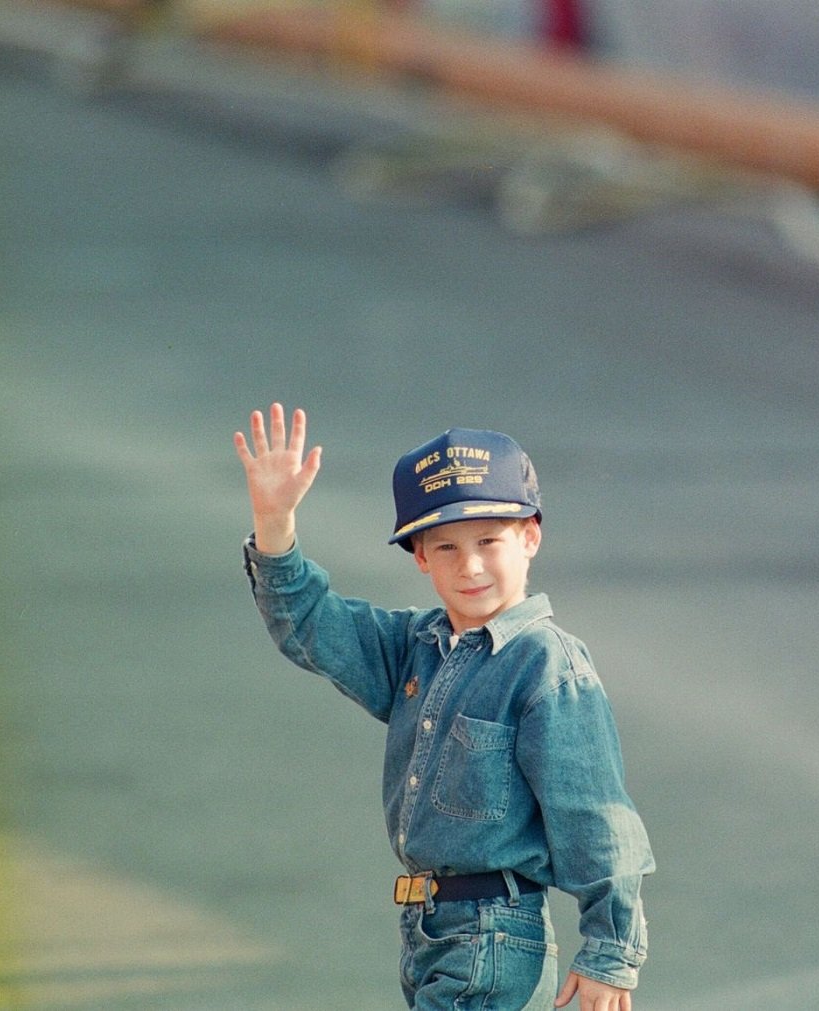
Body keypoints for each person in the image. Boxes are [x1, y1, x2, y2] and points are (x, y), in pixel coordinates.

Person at [233, 414, 653, 1011]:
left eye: (490, 541)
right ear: (420, 558)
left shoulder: (545, 664)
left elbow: (594, 814)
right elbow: (309, 624)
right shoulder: (416, 648)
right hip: (430, 933)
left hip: (494, 939)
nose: (470, 566)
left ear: (530, 536)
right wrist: (274, 523)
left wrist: (611, 954)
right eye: (447, 547)